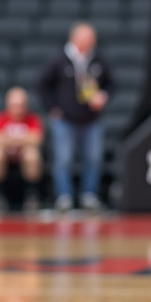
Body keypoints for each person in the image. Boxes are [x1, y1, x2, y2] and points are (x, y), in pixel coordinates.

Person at [37, 21, 112, 212]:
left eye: (92, 38)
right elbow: (42, 84)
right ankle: (64, 197)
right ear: (75, 39)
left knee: (93, 160)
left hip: (91, 120)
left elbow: (112, 83)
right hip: (65, 120)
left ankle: (89, 196)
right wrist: (52, 108)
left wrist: (103, 96)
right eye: (87, 38)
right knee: (63, 160)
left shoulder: (97, 59)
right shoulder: (59, 59)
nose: (90, 42)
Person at [0, 86, 44, 213]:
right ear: (8, 104)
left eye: (21, 105)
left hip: (24, 156)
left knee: (32, 153)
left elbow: (37, 138)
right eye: (15, 105)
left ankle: (32, 195)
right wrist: (22, 140)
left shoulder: (32, 118)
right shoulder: (0, 118)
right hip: (5, 155)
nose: (18, 108)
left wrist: (9, 140)